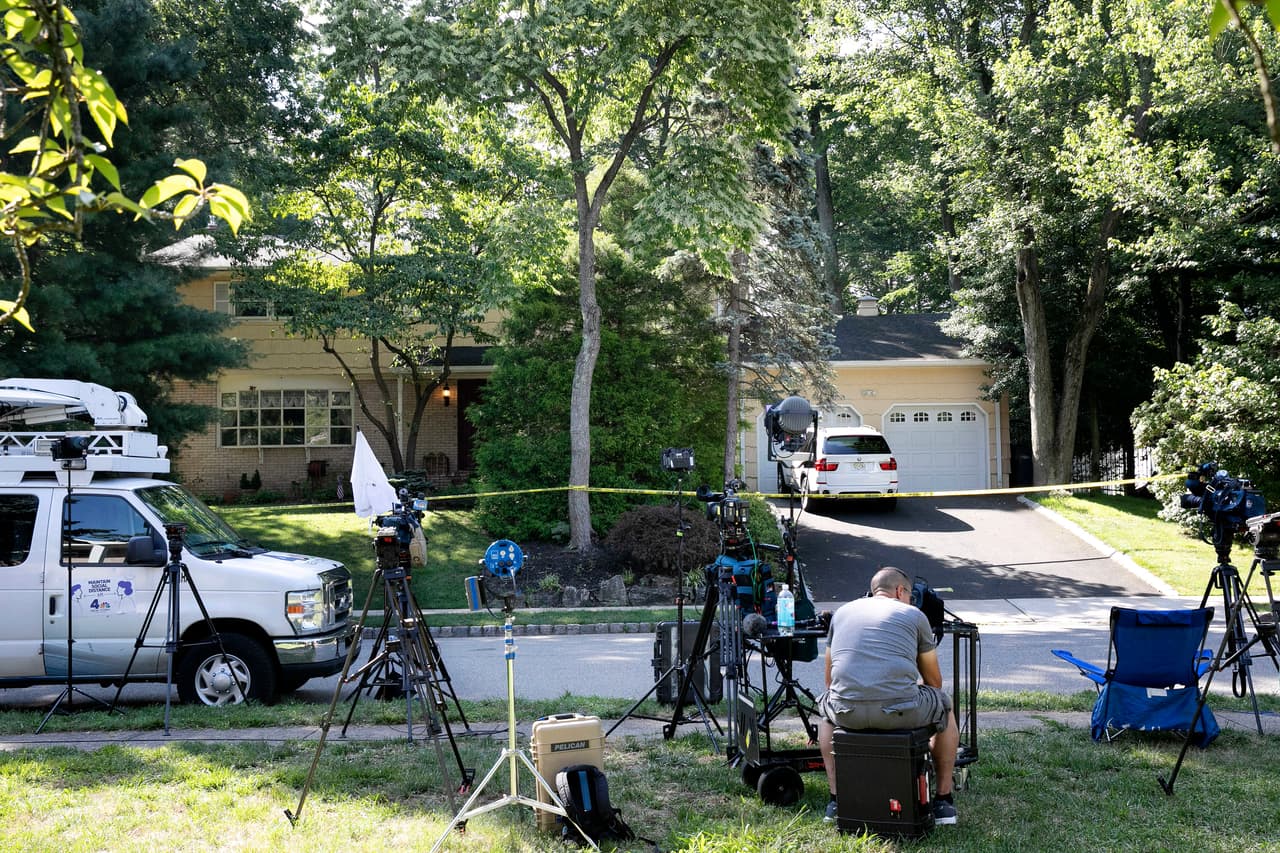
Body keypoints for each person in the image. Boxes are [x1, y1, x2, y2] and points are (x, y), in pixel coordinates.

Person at [816, 566, 959, 826]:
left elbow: (829, 680)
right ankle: (943, 802)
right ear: (900, 591)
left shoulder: (842, 614)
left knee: (826, 713)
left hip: (847, 713)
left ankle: (836, 800)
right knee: (944, 707)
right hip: (900, 711)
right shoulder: (913, 614)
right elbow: (934, 682)